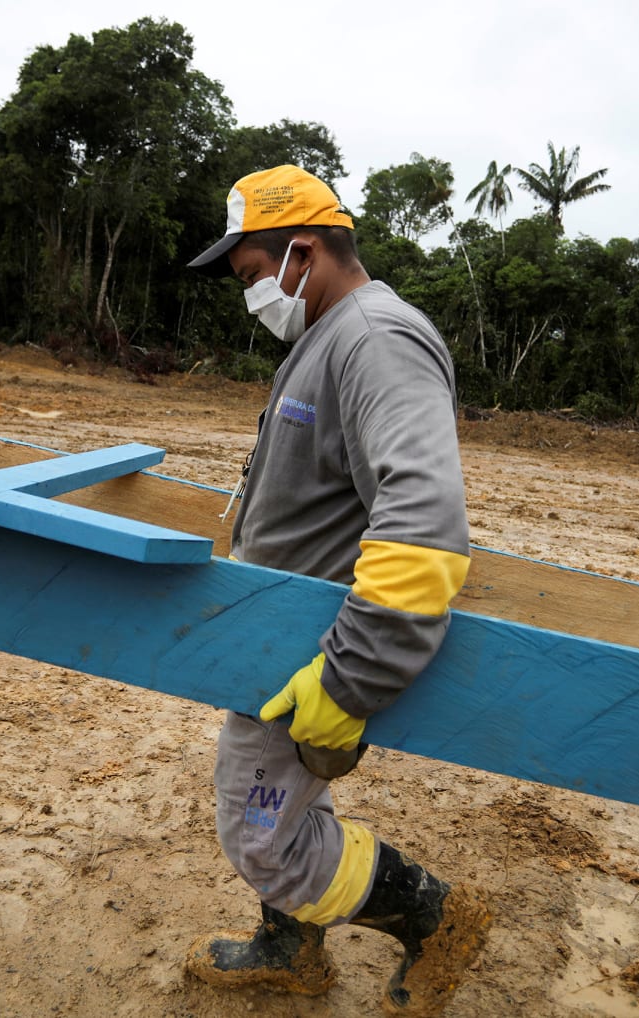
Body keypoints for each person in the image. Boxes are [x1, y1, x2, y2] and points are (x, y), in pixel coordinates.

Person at [183, 164, 490, 1016]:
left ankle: (434, 915)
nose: (252, 299)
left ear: (304, 251)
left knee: (261, 836)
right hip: (273, 643)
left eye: (252, 277)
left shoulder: (376, 340)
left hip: (313, 660)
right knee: (267, 810)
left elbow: (424, 519)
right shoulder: (330, 332)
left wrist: (348, 679)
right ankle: (291, 948)